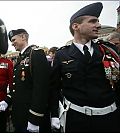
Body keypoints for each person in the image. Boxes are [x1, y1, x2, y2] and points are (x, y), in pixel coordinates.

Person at [50, 2, 120, 132]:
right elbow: (54, 88)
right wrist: (54, 114)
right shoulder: (62, 54)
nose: (98, 25)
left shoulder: (109, 50)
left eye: (98, 21)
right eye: (93, 21)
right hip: (76, 119)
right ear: (76, 26)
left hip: (109, 118)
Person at [0, 29, 51, 132]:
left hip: (31, 117)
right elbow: (19, 87)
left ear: (23, 37)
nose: (12, 44)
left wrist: (35, 118)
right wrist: (7, 101)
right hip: (20, 116)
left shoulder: (36, 54)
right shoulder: (21, 58)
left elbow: (41, 88)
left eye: (13, 40)